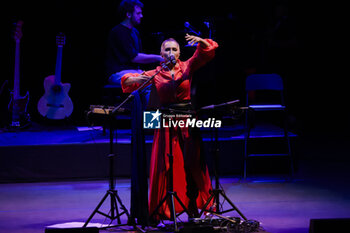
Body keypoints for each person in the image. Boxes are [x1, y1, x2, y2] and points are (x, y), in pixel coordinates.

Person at [121, 34, 219, 220]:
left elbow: (208, 52)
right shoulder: (156, 73)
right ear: (161, 53)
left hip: (187, 121)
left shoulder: (187, 66)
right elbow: (127, 80)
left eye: (174, 49)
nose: (171, 52)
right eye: (167, 49)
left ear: (180, 52)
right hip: (166, 122)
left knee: (192, 164)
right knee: (166, 165)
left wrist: (200, 40)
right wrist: (136, 80)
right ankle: (166, 209)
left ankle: (195, 208)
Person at [105, 0, 164, 87]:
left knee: (161, 79)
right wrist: (158, 58)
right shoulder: (118, 32)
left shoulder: (135, 32)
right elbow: (134, 57)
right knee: (149, 83)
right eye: (138, 13)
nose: (141, 16)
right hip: (119, 73)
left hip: (133, 71)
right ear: (128, 14)